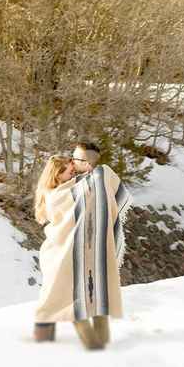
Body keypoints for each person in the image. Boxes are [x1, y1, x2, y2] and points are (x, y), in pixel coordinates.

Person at [32, 141, 133, 349]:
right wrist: (96, 172)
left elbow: (88, 189)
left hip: (70, 252)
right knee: (75, 303)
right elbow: (88, 186)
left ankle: (101, 345)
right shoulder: (57, 195)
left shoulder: (64, 189)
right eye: (68, 173)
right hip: (61, 253)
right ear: (57, 175)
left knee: (93, 301)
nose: (72, 175)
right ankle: (95, 348)